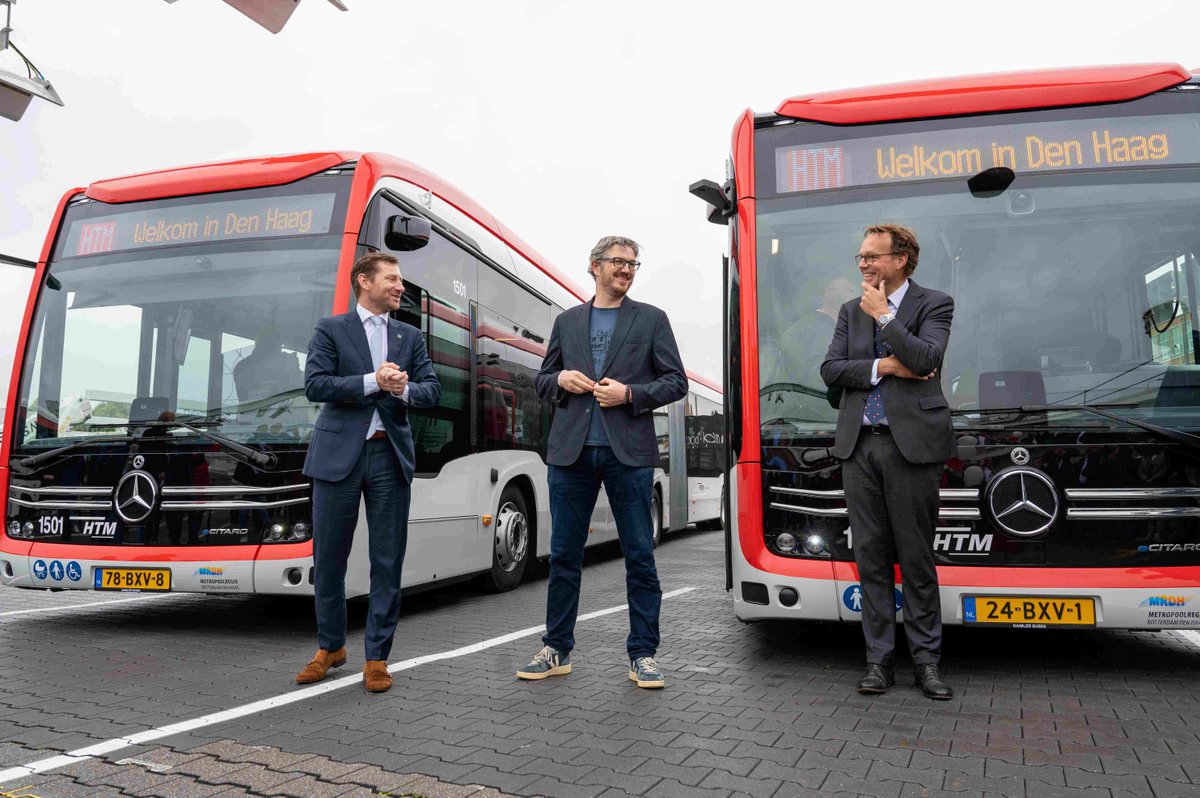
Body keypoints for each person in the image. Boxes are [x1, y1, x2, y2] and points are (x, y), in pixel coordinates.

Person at [516, 235, 687, 689]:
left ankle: (643, 654)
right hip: (570, 452)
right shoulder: (567, 321)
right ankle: (556, 648)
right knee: (564, 556)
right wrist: (561, 380)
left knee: (639, 554)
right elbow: (540, 381)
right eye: (618, 262)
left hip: (627, 452)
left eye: (633, 264)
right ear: (594, 266)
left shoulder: (651, 319)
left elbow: (676, 382)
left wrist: (630, 394)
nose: (626, 270)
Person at [820, 223, 956, 700]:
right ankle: (879, 661)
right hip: (859, 446)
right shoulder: (847, 311)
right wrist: (882, 366)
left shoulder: (934, 303)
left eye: (871, 257)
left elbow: (925, 357)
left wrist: (884, 319)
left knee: (916, 559)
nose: (862, 265)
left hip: (911, 447)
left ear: (900, 259)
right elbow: (831, 370)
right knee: (871, 558)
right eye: (860, 257)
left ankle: (927, 663)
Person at [296, 252, 441, 693]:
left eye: (400, 281)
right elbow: (315, 385)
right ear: (364, 281)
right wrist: (373, 381)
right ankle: (330, 647)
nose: (401, 287)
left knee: (387, 560)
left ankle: (377, 658)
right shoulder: (331, 329)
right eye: (392, 279)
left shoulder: (409, 335)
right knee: (329, 559)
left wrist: (405, 389)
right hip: (337, 455)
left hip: (388, 457)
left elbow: (432, 390)